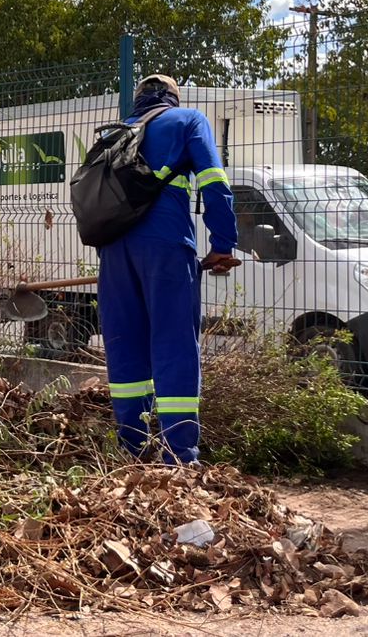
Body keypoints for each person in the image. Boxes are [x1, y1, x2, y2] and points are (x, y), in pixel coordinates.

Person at [98, 74, 239, 464]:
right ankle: (179, 455)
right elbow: (214, 183)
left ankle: (132, 450)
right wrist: (223, 244)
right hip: (166, 249)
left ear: (138, 100)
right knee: (175, 345)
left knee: (125, 347)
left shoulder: (114, 134)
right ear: (173, 99)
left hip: (113, 252)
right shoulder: (189, 121)